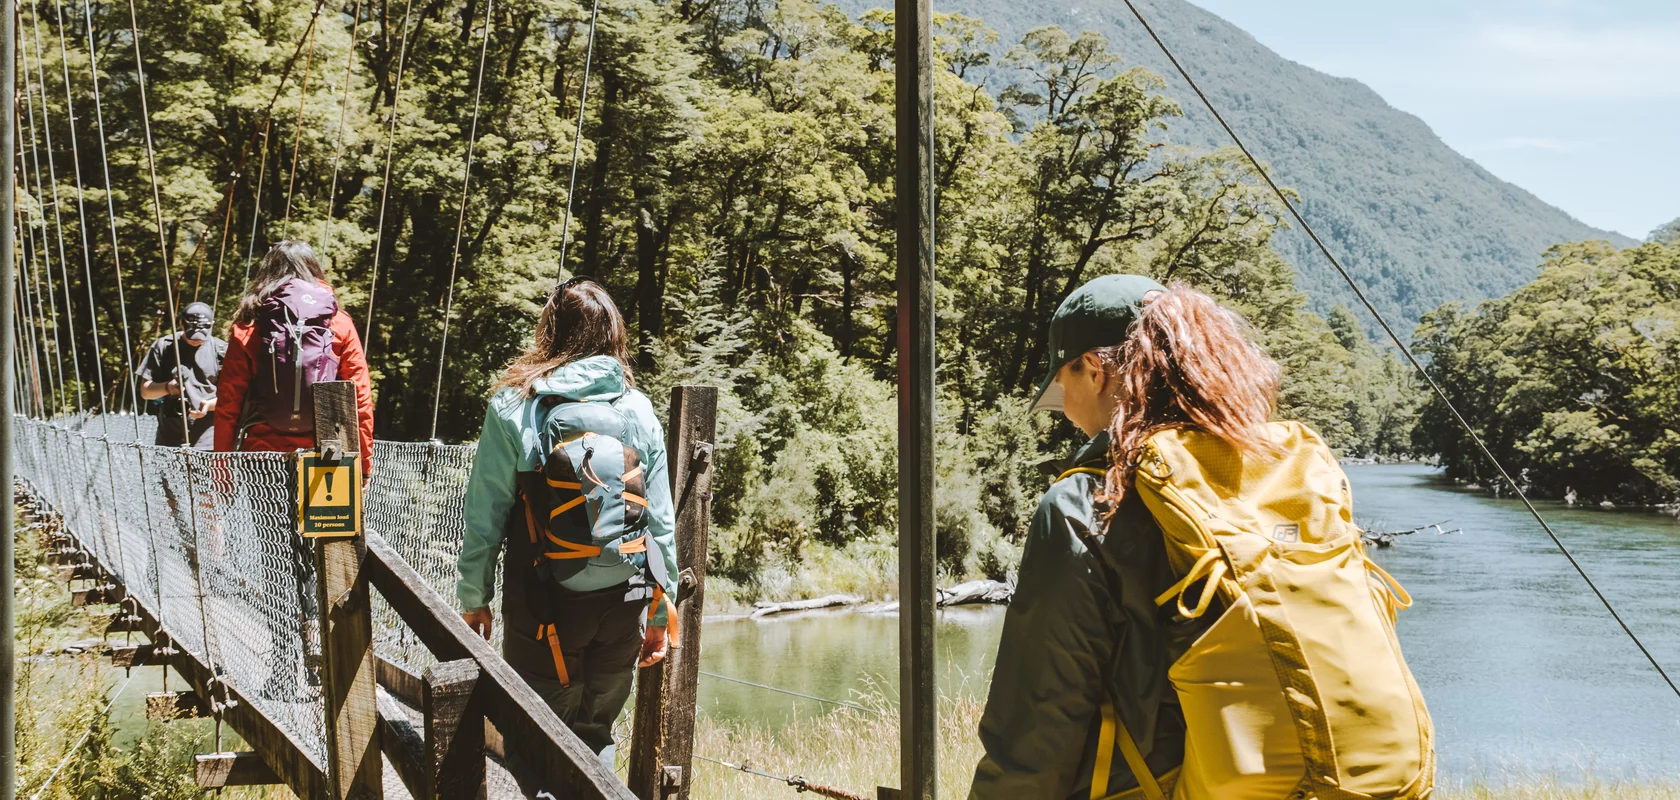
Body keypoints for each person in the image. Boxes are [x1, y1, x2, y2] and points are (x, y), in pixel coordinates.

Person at [971, 276, 1433, 800]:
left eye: (1062, 386)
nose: (1066, 411)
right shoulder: (1277, 473)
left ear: (1095, 370)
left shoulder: (1089, 501)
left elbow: (1038, 725)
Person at [455, 277, 676, 772]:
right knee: (596, 739)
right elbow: (660, 524)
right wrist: (661, 613)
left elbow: (484, 515)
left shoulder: (515, 407)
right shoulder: (638, 410)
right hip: (624, 603)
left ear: (549, 332)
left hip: (542, 605)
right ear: (614, 334)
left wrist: (474, 598)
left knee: (536, 745)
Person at [213, 240, 374, 700]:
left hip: (265, 462)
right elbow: (360, 398)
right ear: (314, 270)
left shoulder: (249, 326)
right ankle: (327, 665)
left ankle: (285, 671)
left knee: (278, 564)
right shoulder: (338, 322)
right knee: (322, 558)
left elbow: (228, 406)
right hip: (327, 460)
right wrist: (361, 462)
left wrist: (223, 466)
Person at [139, 301, 225, 448]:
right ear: (180, 323)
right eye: (192, 334)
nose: (196, 339)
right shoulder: (164, 346)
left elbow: (235, 398)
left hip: (208, 441)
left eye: (202, 334)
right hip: (169, 439)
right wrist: (168, 387)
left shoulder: (222, 350)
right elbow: (146, 392)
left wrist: (209, 405)